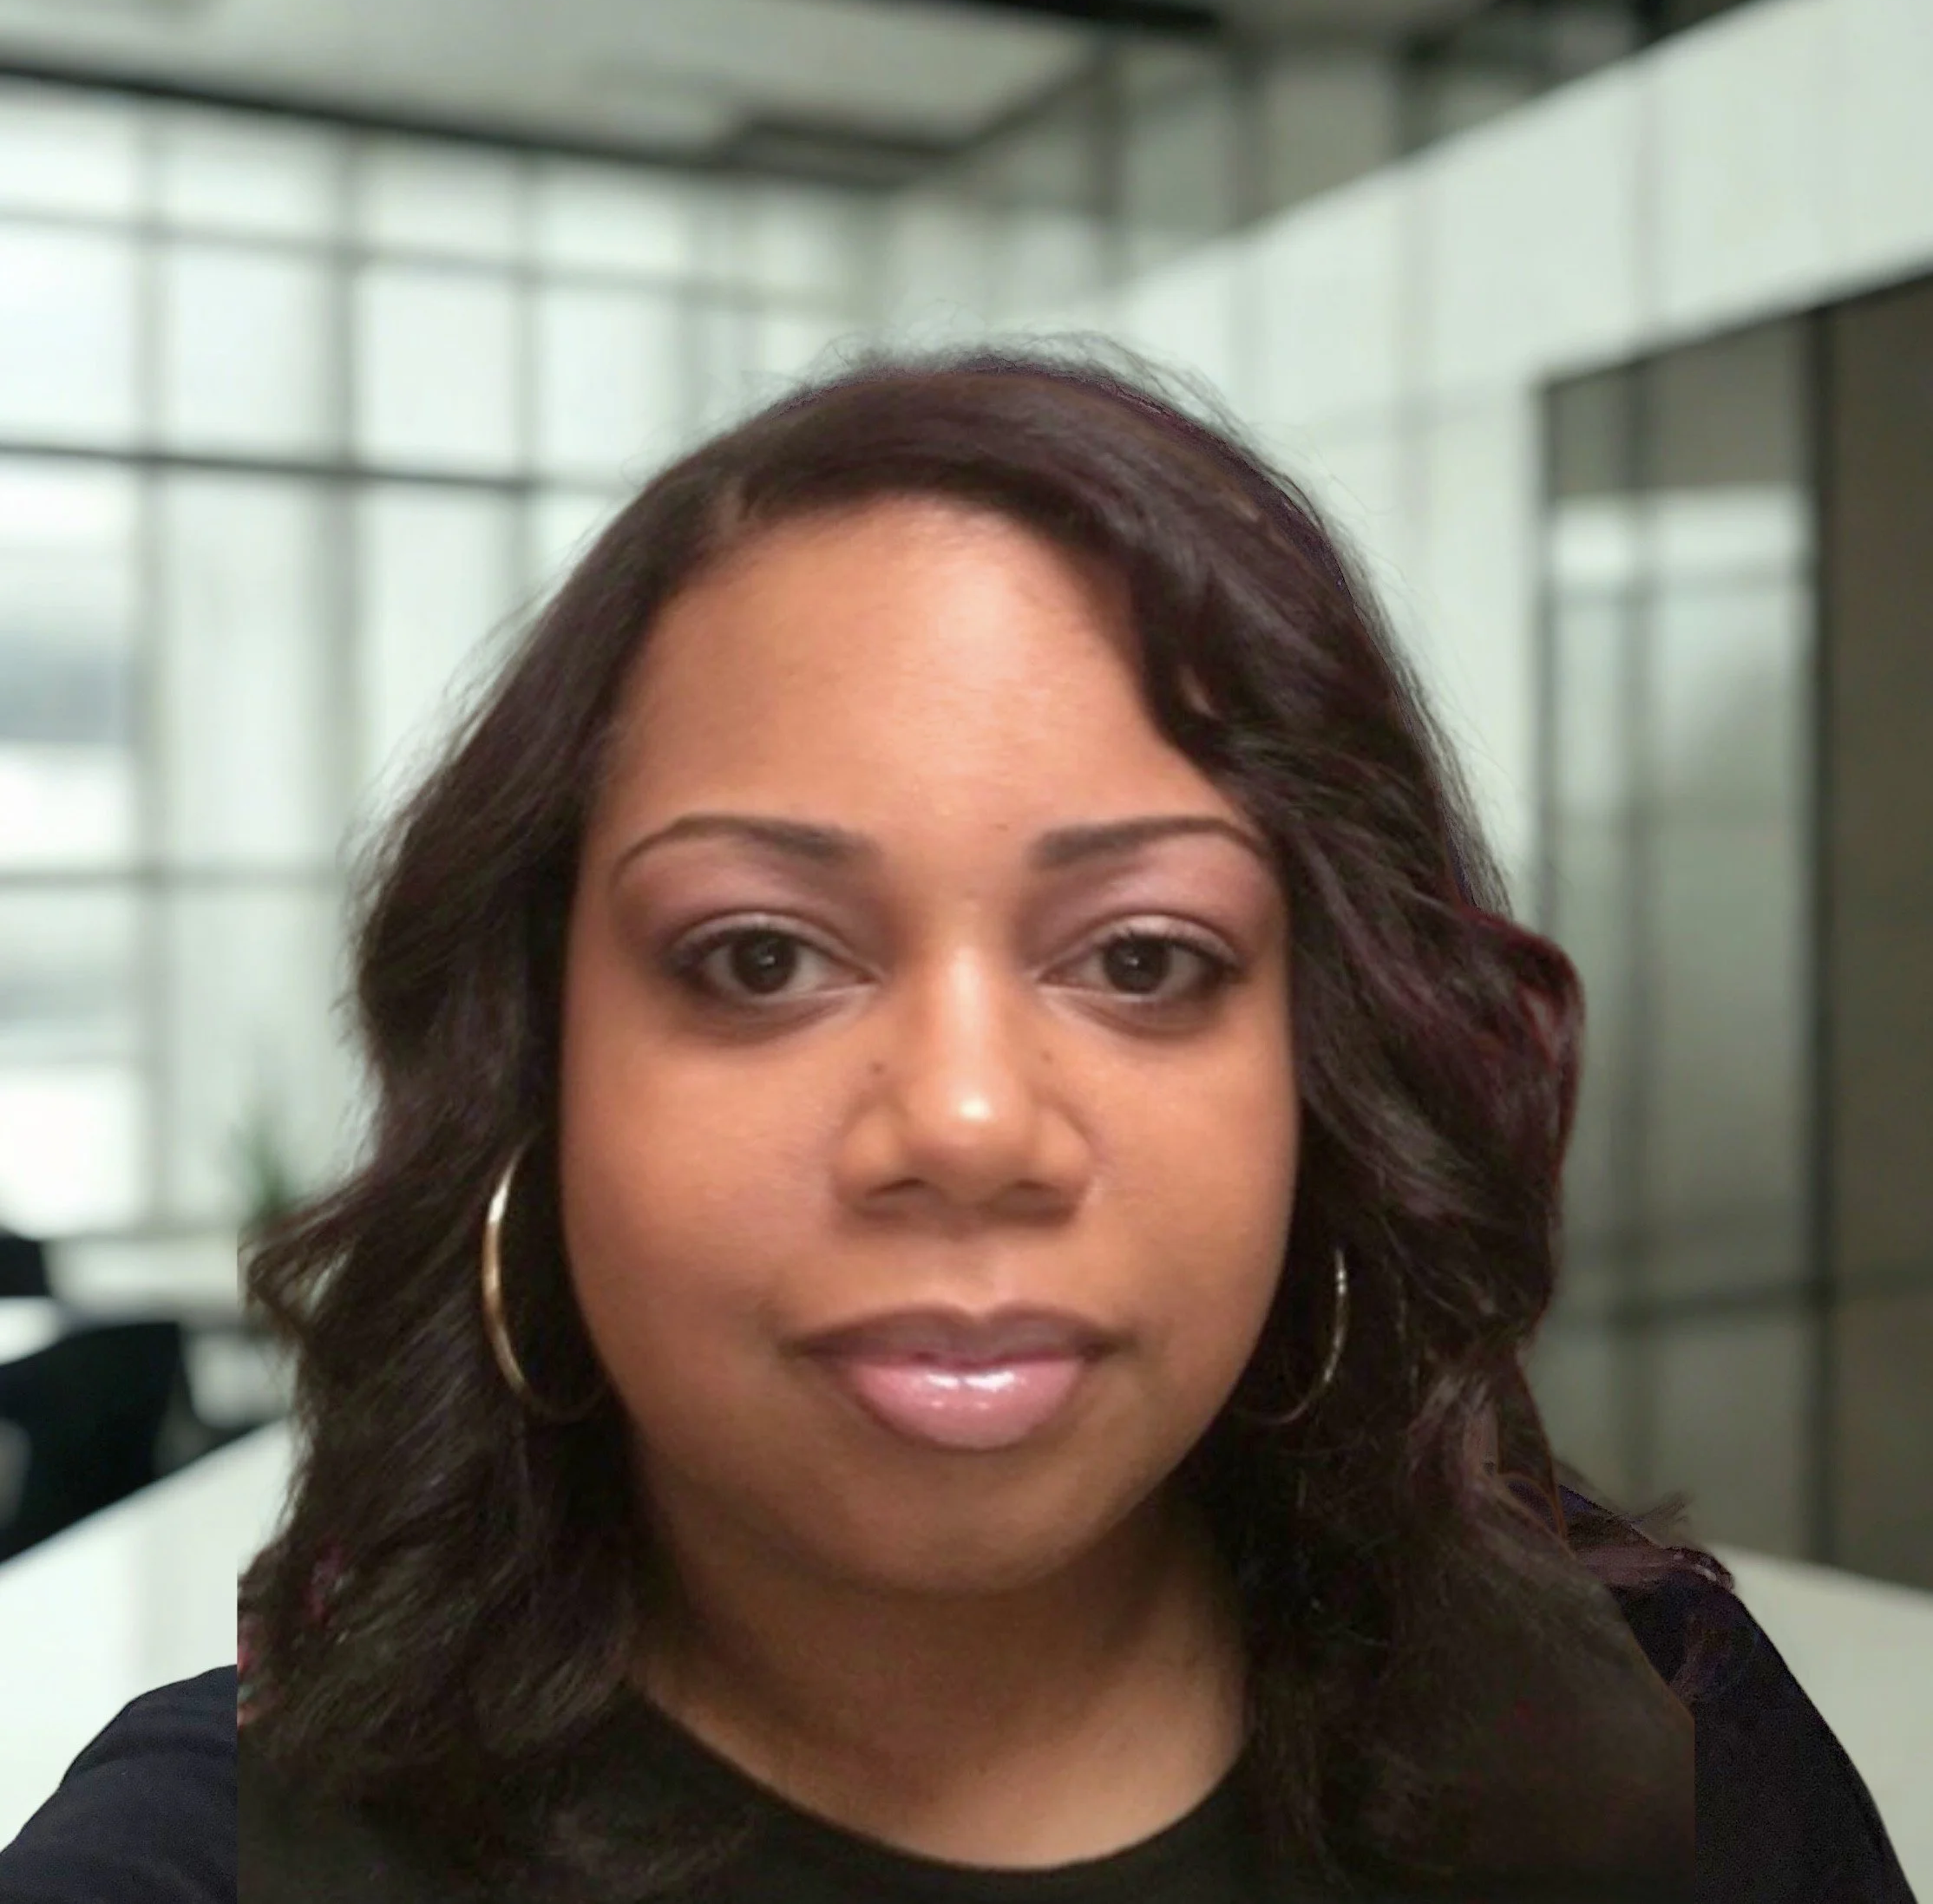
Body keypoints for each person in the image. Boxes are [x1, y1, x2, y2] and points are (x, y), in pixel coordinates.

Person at [9, 349, 1911, 1903]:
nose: (971, 1120)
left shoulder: (1662, 1758)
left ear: (1322, 1082)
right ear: (536, 1071)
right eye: (759, 956)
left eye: (1148, 958)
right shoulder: (201, 1867)